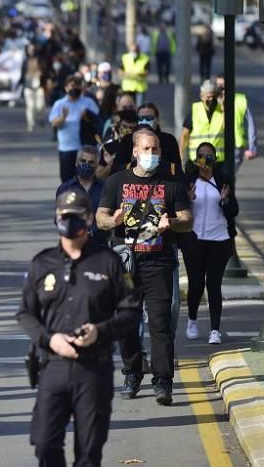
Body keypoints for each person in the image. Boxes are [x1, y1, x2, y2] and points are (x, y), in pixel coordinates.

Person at [17, 189, 140, 467]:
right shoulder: (42, 263)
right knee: (45, 444)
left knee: (89, 452)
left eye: (77, 216)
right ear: (57, 218)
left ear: (88, 219)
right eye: (65, 216)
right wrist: (50, 339)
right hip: (53, 367)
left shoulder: (109, 262)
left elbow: (131, 310)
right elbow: (25, 313)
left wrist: (101, 331)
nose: (70, 221)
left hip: (94, 369)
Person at [96, 128, 193, 406]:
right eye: (147, 149)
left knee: (160, 323)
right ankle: (132, 373)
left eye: (156, 149)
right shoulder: (117, 182)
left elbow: (187, 219)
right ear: (136, 151)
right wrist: (113, 220)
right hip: (126, 262)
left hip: (159, 261)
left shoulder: (171, 184)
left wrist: (171, 223)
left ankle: (163, 381)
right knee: (126, 320)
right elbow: (100, 218)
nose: (152, 154)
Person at [182, 142, 238, 345]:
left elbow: (234, 211)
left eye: (209, 156)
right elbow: (179, 208)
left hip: (219, 240)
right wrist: (188, 199)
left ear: (215, 159)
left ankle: (215, 330)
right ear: (196, 159)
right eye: (201, 156)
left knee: (213, 285)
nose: (205, 160)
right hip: (194, 240)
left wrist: (225, 200)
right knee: (195, 284)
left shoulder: (223, 180)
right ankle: (192, 320)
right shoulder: (189, 181)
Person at [49, 75, 99, 183]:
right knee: (67, 180)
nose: (75, 88)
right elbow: (54, 123)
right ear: (66, 88)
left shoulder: (88, 102)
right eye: (72, 86)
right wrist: (63, 117)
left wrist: (86, 117)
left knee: (85, 179)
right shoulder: (60, 104)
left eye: (77, 85)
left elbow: (98, 122)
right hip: (66, 149)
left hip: (84, 149)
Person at [56, 145, 106, 245]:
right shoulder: (65, 189)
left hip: (99, 244)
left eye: (91, 162)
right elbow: (58, 218)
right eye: (83, 161)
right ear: (76, 162)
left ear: (97, 165)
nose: (86, 164)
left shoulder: (105, 188)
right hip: (72, 243)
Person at [214, 74, 257, 172]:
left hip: (235, 145)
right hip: (214, 145)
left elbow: (251, 125)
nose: (221, 89)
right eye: (219, 86)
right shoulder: (210, 101)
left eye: (224, 86)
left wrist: (252, 148)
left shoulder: (241, 100)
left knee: (228, 176)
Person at [180, 80, 226, 165]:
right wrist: (180, 153)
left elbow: (227, 128)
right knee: (199, 178)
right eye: (208, 97)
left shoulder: (222, 110)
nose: (211, 99)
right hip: (199, 160)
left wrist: (223, 107)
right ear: (202, 96)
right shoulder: (195, 110)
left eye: (213, 96)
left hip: (217, 159)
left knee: (216, 178)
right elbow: (184, 134)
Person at [21, 43, 48, 133]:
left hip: (38, 85)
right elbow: (22, 73)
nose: (31, 51)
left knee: (40, 105)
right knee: (30, 106)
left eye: (32, 49)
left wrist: (42, 75)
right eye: (29, 49)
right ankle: (30, 123)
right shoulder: (25, 61)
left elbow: (45, 70)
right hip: (28, 86)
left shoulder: (40, 59)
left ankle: (40, 118)